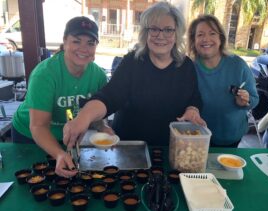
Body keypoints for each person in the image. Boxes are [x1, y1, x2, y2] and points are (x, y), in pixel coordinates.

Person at [63, 2, 206, 151]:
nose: (160, 36)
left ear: (177, 34)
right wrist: (84, 117)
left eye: (168, 30)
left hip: (171, 149)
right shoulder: (132, 62)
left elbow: (194, 97)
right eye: (154, 29)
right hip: (129, 148)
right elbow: (109, 96)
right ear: (146, 33)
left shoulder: (186, 65)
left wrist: (193, 110)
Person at [12, 16, 108, 178]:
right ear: (65, 42)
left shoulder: (98, 75)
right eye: (77, 41)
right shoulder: (45, 74)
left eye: (90, 43)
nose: (84, 49)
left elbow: (94, 112)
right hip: (30, 136)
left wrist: (102, 127)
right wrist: (58, 153)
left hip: (68, 138)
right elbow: (38, 126)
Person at [187, 14, 259, 147]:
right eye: (200, 34)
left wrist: (244, 102)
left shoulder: (238, 65)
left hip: (232, 137)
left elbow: (254, 99)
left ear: (221, 38)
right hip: (198, 136)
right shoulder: (189, 68)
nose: (206, 39)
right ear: (193, 41)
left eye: (212, 33)